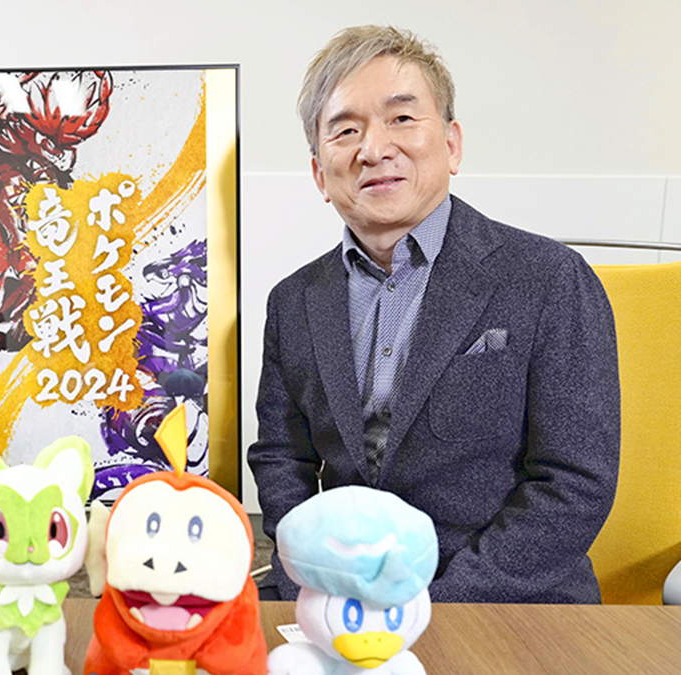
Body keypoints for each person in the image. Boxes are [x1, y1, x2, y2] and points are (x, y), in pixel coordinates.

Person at [248, 26, 619, 603]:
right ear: (320, 173)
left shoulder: (550, 278)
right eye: (345, 130)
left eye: (401, 118)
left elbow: (574, 483)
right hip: (341, 597)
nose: (373, 149)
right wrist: (310, 571)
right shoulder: (293, 301)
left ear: (451, 145)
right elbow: (281, 458)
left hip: (505, 600)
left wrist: (440, 606)